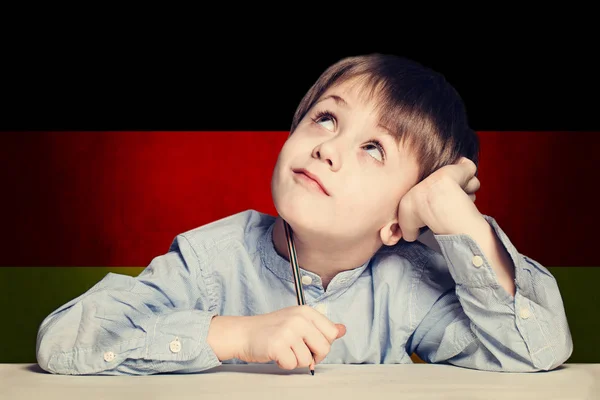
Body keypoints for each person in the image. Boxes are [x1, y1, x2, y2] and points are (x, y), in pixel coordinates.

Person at [35, 53, 573, 376]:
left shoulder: (405, 284)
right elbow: (63, 342)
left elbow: (536, 352)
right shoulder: (210, 259)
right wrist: (236, 336)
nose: (329, 147)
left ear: (398, 222)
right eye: (325, 118)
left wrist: (460, 220)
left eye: (373, 148)